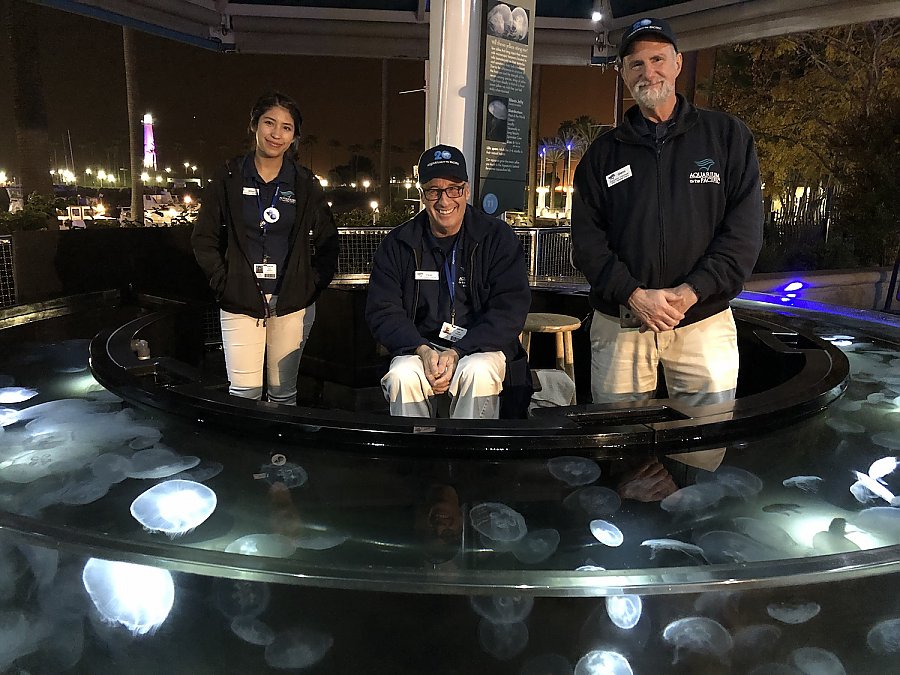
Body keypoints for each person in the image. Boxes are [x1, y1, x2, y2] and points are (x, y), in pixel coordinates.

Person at [571, 17, 763, 407]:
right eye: (636, 64)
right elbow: (587, 242)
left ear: (677, 63)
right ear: (624, 74)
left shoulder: (727, 136)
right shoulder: (601, 156)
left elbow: (743, 233)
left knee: (704, 448)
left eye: (657, 59)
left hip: (703, 321)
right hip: (621, 323)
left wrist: (692, 292)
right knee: (619, 445)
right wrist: (633, 295)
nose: (648, 72)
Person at [192, 92, 338, 405]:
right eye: (269, 123)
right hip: (240, 300)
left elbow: (328, 241)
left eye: (286, 127)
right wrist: (225, 281)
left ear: (294, 136)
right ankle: (245, 456)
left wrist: (309, 285)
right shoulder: (228, 177)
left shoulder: (304, 183)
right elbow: (203, 238)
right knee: (243, 396)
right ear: (254, 125)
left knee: (284, 395)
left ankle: (281, 455)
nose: (276, 133)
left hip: (292, 303)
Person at [365, 144, 531, 419]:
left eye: (453, 189)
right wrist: (422, 350)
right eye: (434, 190)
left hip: (479, 347)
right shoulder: (398, 243)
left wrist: (458, 351)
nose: (444, 201)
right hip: (419, 347)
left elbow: (510, 309)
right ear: (422, 195)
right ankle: (416, 456)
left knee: (478, 371)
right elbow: (383, 311)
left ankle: (469, 457)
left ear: (466, 190)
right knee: (402, 375)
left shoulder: (497, 237)